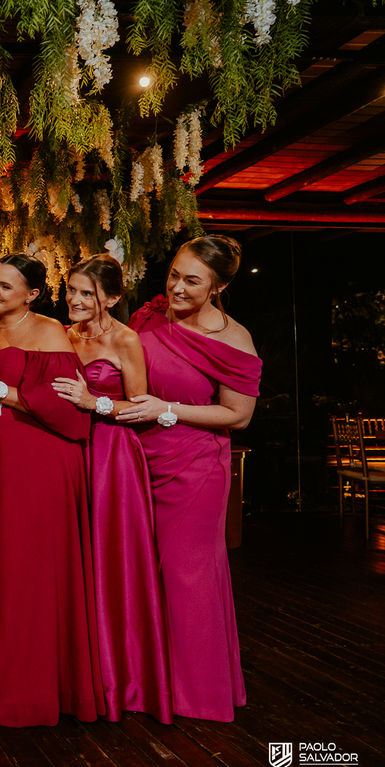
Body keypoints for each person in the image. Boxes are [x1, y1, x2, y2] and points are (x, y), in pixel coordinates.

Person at [0, 253, 104, 727]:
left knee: (25, 568)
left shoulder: (50, 331)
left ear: (32, 295)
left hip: (37, 463)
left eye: (5, 286)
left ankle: (28, 689)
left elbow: (69, 412)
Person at [118, 234, 261, 722]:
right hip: (140, 459)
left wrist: (168, 410)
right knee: (144, 574)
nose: (176, 287)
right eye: (174, 274)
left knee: (186, 577)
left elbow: (238, 417)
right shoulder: (150, 316)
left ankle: (196, 694)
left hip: (196, 467)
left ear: (218, 286)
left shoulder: (233, 338)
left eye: (192, 280)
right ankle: (148, 685)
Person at [51, 254, 173, 723]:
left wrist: (92, 400)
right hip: (70, 451)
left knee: (114, 559)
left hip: (113, 456)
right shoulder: (62, 335)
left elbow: (140, 407)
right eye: (72, 291)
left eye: (88, 293)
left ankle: (125, 679)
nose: (76, 301)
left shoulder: (126, 340)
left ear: (115, 298)